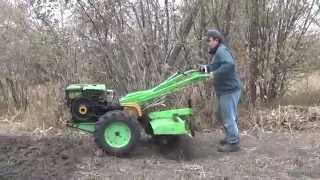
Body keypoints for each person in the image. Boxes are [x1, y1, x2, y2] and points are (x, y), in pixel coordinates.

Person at [199, 29, 242, 152]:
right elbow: (215, 66)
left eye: (209, 40)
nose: (208, 43)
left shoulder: (221, 51)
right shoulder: (218, 52)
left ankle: (233, 143)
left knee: (228, 116)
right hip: (225, 90)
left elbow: (229, 65)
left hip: (230, 90)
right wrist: (205, 68)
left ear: (216, 40)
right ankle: (230, 137)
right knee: (223, 114)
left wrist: (214, 74)